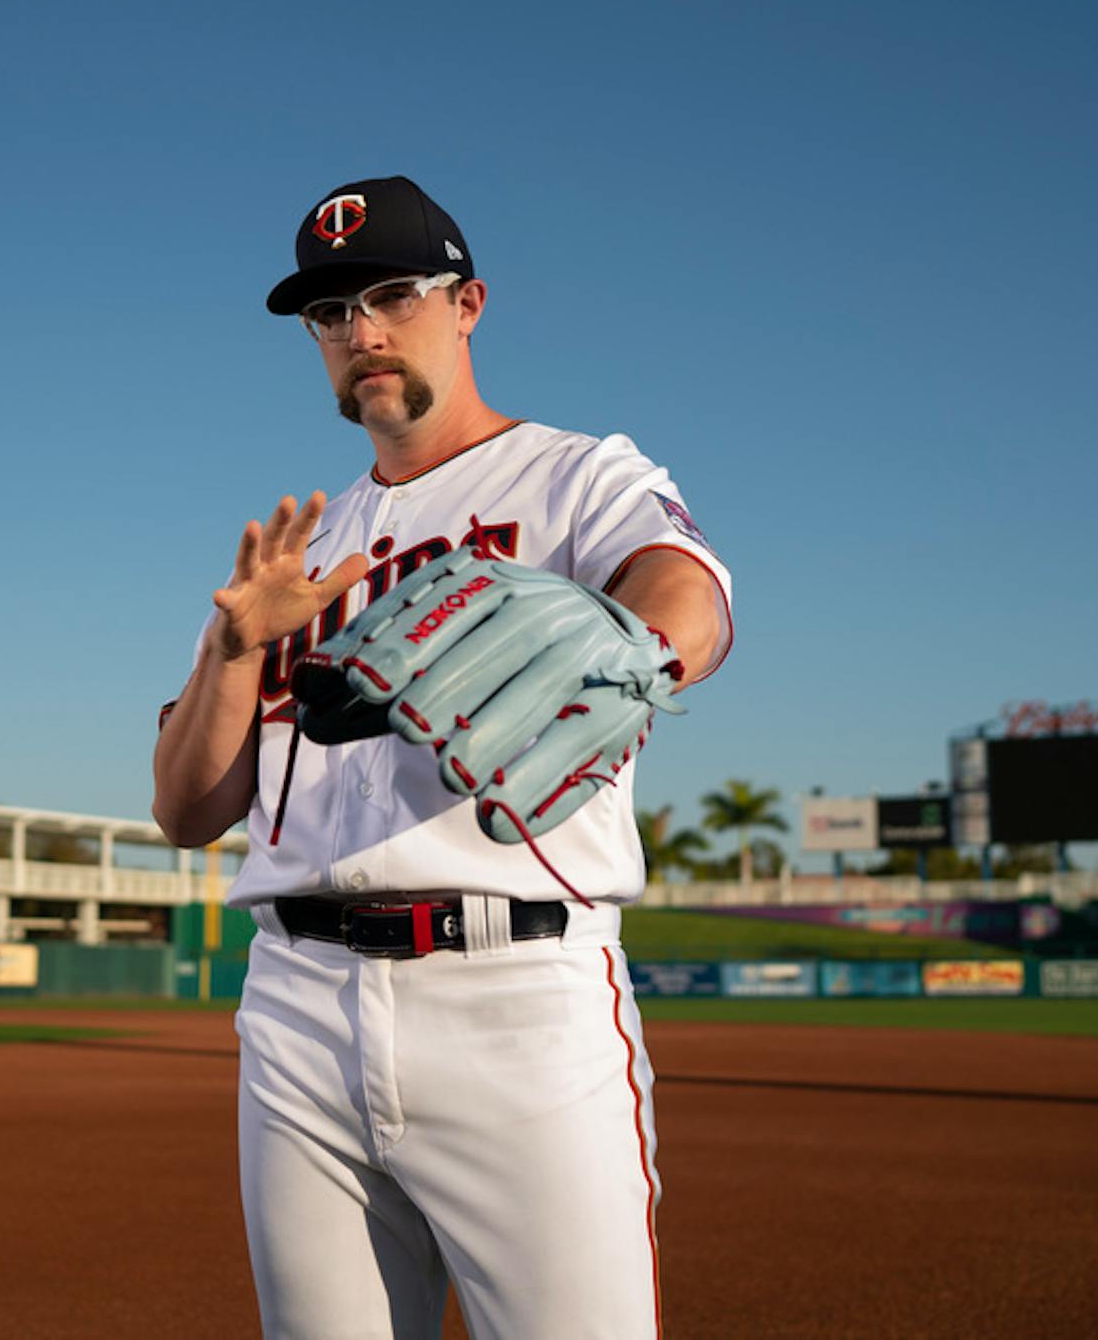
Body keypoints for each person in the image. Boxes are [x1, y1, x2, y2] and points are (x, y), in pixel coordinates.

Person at [152, 175, 732, 1339]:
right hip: (297, 1002)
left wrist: (638, 640)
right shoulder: (297, 548)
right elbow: (185, 809)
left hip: (514, 994)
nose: (362, 330)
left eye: (393, 294)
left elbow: (688, 592)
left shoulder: (574, 475)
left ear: (466, 303)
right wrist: (231, 647)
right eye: (330, 313)